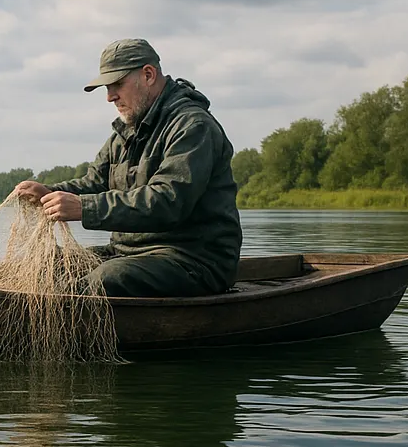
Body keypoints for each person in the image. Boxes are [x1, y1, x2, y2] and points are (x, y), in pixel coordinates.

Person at [13, 38, 242, 297]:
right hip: (126, 253)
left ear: (148, 75)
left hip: (195, 261)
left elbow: (168, 201)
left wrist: (83, 208)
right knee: (53, 266)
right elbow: (94, 182)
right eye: (107, 88)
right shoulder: (126, 131)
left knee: (109, 277)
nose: (110, 97)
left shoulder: (193, 126)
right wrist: (48, 192)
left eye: (117, 85)